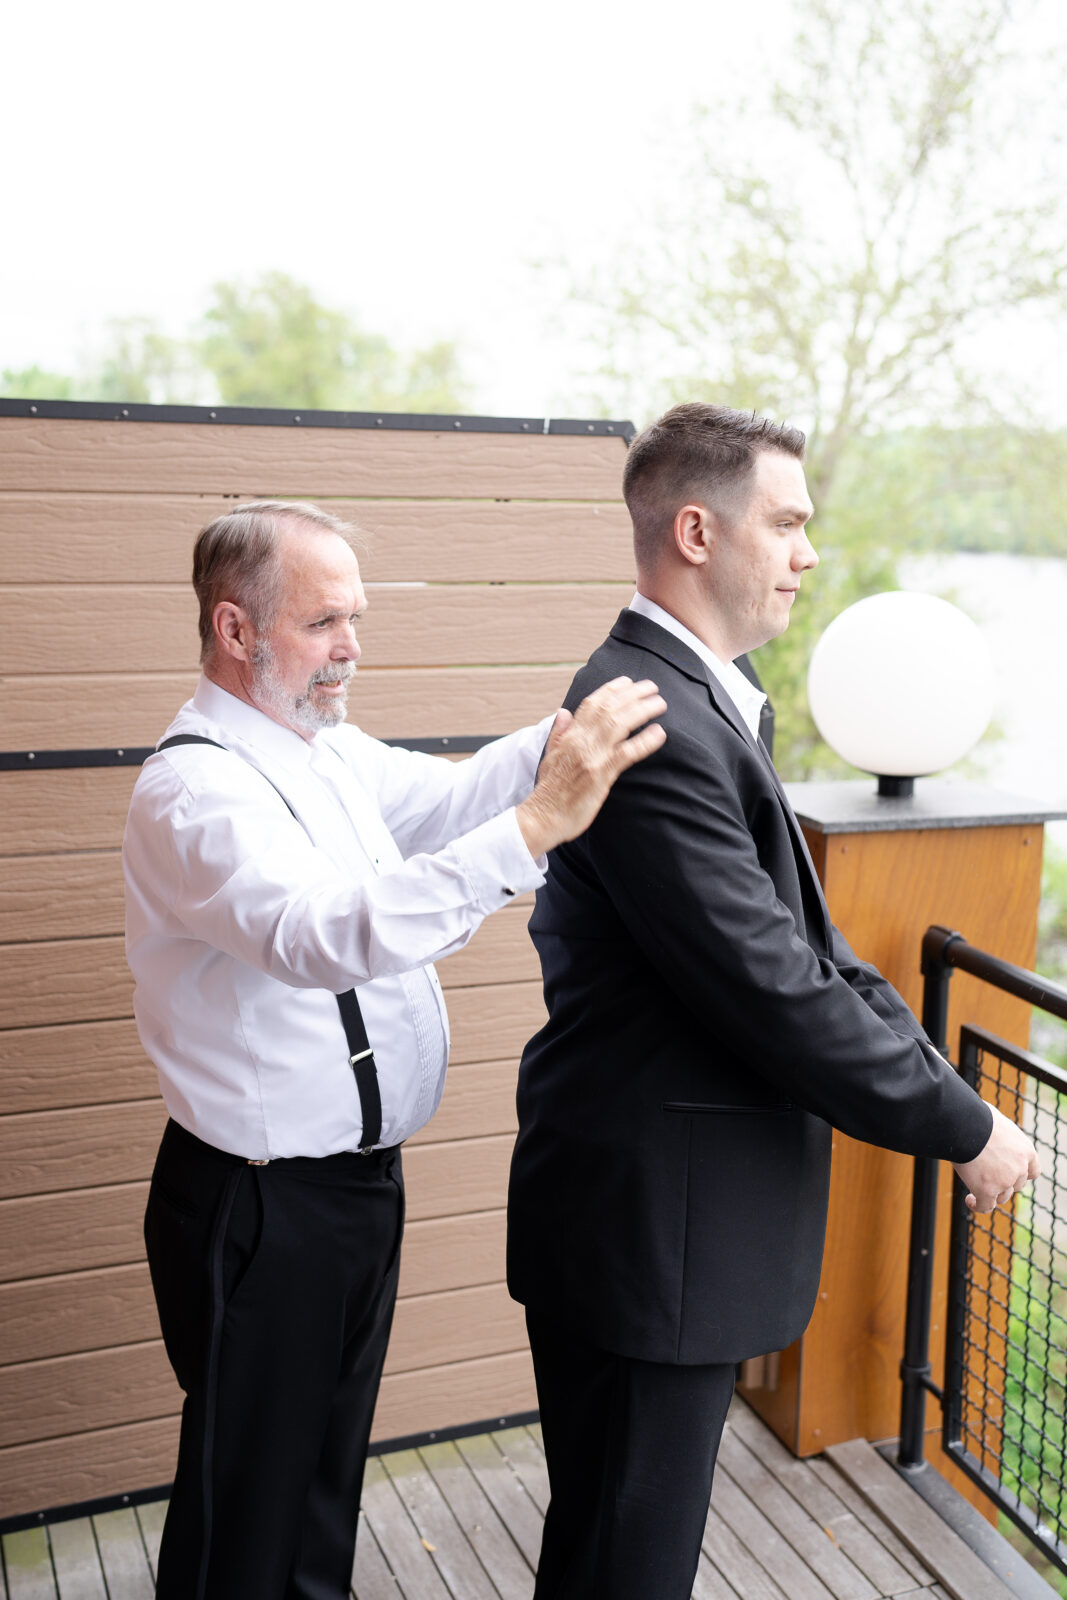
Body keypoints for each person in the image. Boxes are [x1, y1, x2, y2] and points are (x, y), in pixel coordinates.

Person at [506, 402, 1040, 1600]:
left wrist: (948, 1094)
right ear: (696, 531)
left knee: (613, 1553)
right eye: (786, 523)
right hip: (649, 1235)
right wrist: (964, 1128)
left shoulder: (699, 696)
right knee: (622, 1567)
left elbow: (818, 953)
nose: (808, 552)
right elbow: (774, 989)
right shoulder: (649, 718)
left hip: (661, 1230)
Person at [122, 498, 666, 1600]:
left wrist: (565, 734)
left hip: (353, 1192)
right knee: (247, 1511)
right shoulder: (194, 791)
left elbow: (452, 797)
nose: (351, 647)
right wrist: (537, 828)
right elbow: (322, 936)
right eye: (323, 622)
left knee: (320, 1487)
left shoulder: (324, 753)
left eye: (355, 619)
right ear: (235, 629)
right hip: (261, 1207)